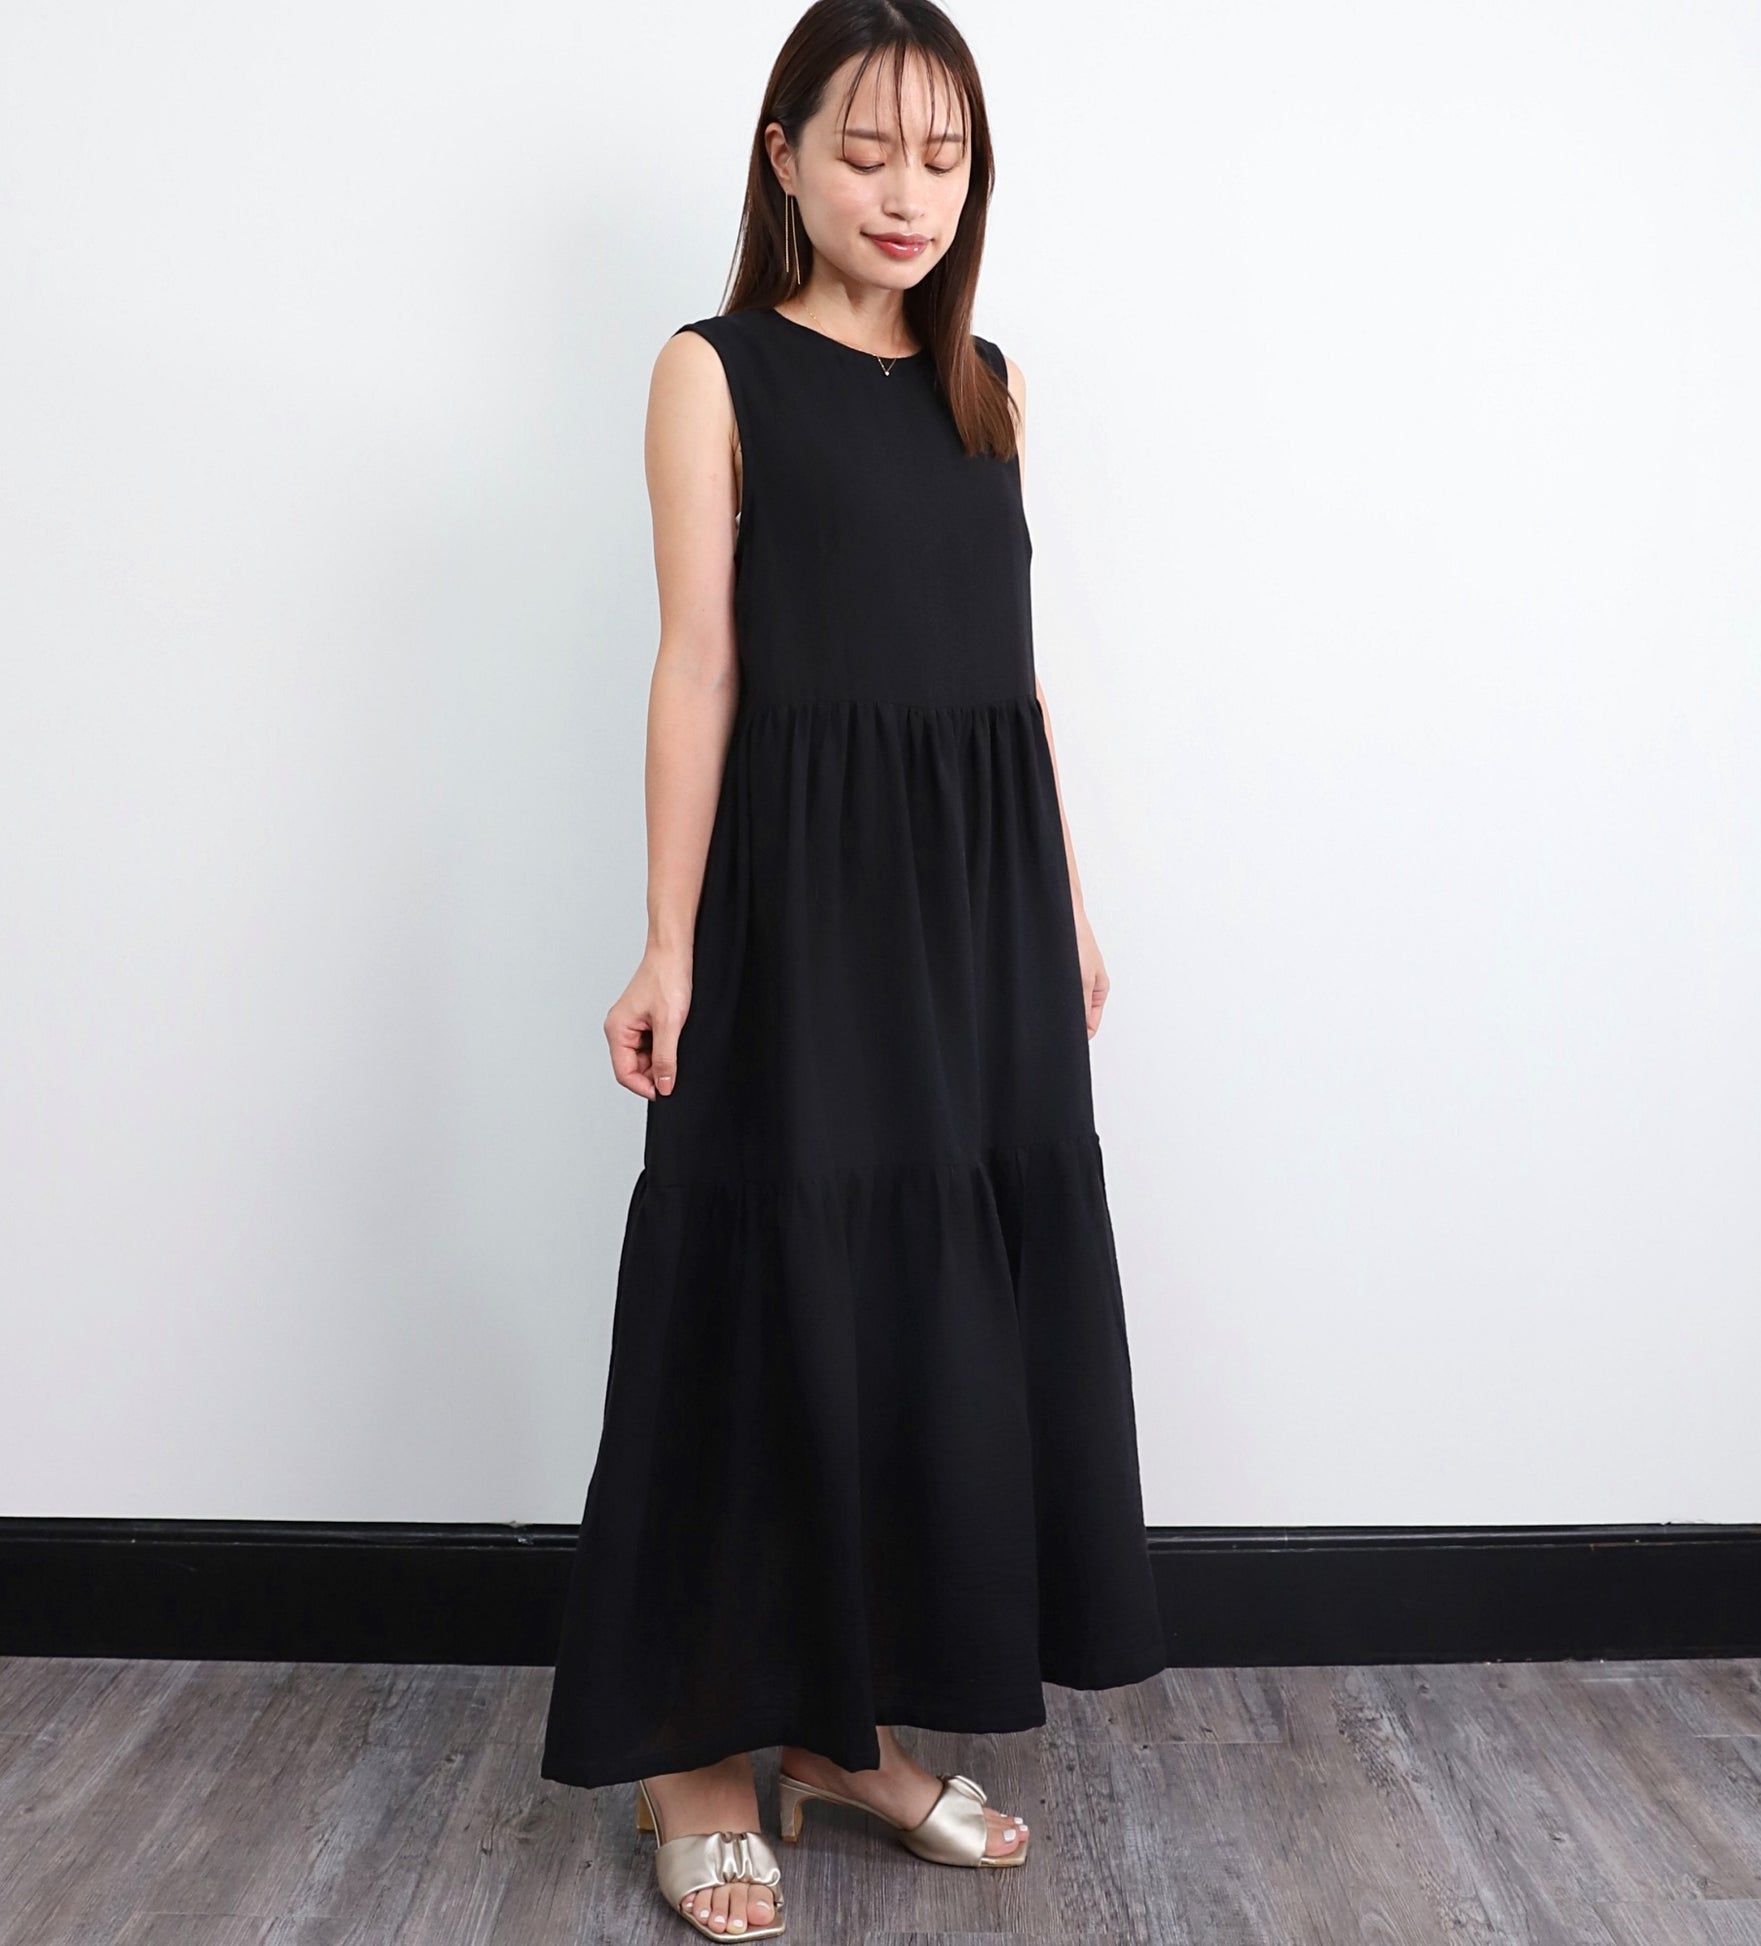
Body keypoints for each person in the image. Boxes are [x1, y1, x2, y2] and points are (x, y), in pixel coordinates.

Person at [539, 3, 1168, 1935]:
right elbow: (699, 663)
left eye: (944, 157)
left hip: (976, 905)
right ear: (784, 157)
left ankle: (841, 1733)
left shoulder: (988, 385)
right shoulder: (712, 369)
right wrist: (666, 938)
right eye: (869, 150)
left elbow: (1009, 673)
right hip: (798, 897)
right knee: (760, 1290)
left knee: (922, 1316)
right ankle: (692, 1754)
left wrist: (1061, 900)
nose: (907, 192)